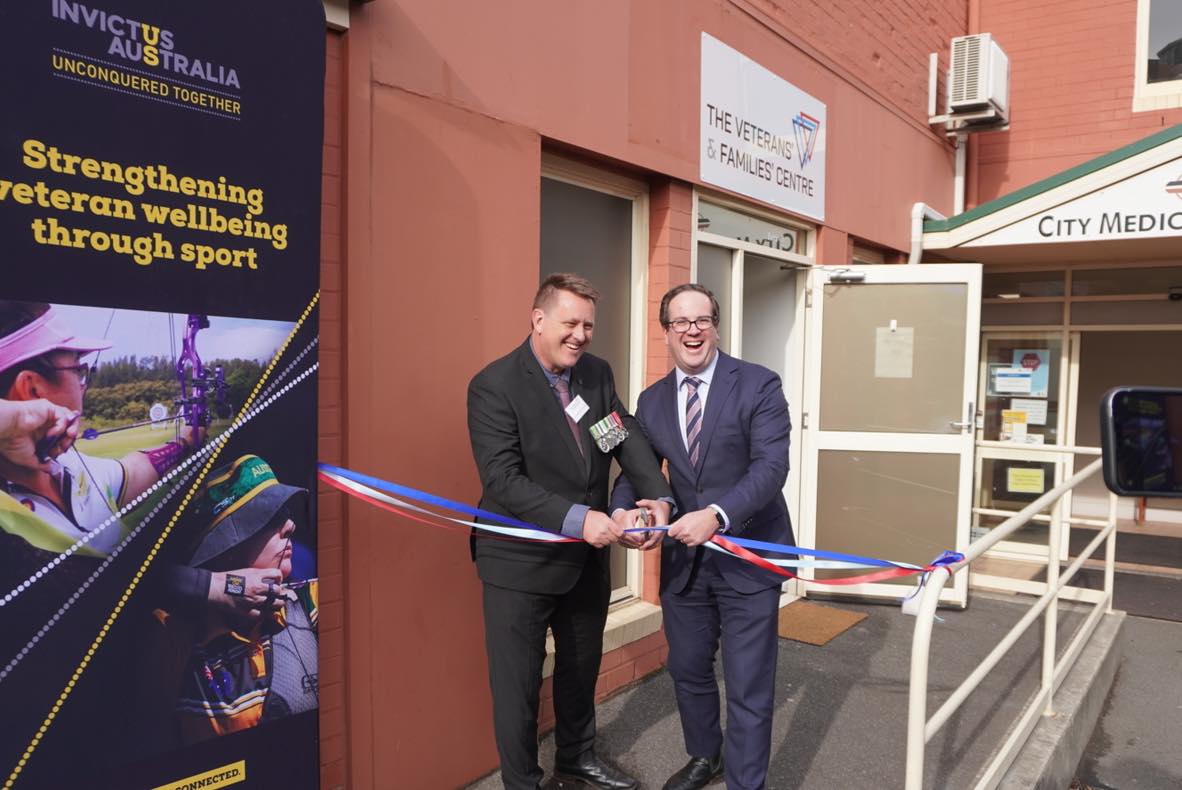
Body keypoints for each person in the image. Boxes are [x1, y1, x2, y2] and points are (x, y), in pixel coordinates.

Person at [467, 273, 673, 790]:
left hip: (585, 564)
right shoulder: (494, 386)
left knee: (580, 670)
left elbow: (620, 438)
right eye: (570, 323)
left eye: (588, 325)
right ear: (538, 320)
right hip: (518, 565)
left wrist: (659, 497)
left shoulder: (594, 376)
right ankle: (522, 781)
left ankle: (576, 759)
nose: (581, 335)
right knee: (517, 687)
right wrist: (582, 520)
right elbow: (503, 481)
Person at [611, 283, 793, 790]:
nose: (692, 331)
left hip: (747, 558)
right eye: (680, 322)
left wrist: (717, 513)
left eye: (702, 320)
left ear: (715, 325)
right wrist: (626, 510)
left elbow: (771, 467)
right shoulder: (652, 400)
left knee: (748, 684)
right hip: (684, 565)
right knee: (688, 670)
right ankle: (704, 756)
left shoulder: (759, 384)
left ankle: (744, 782)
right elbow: (638, 471)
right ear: (666, 331)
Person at [141, 454, 318, 746]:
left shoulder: (308, 601)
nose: (290, 526)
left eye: (287, 512)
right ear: (228, 546)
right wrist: (223, 586)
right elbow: (122, 582)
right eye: (271, 517)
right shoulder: (176, 633)